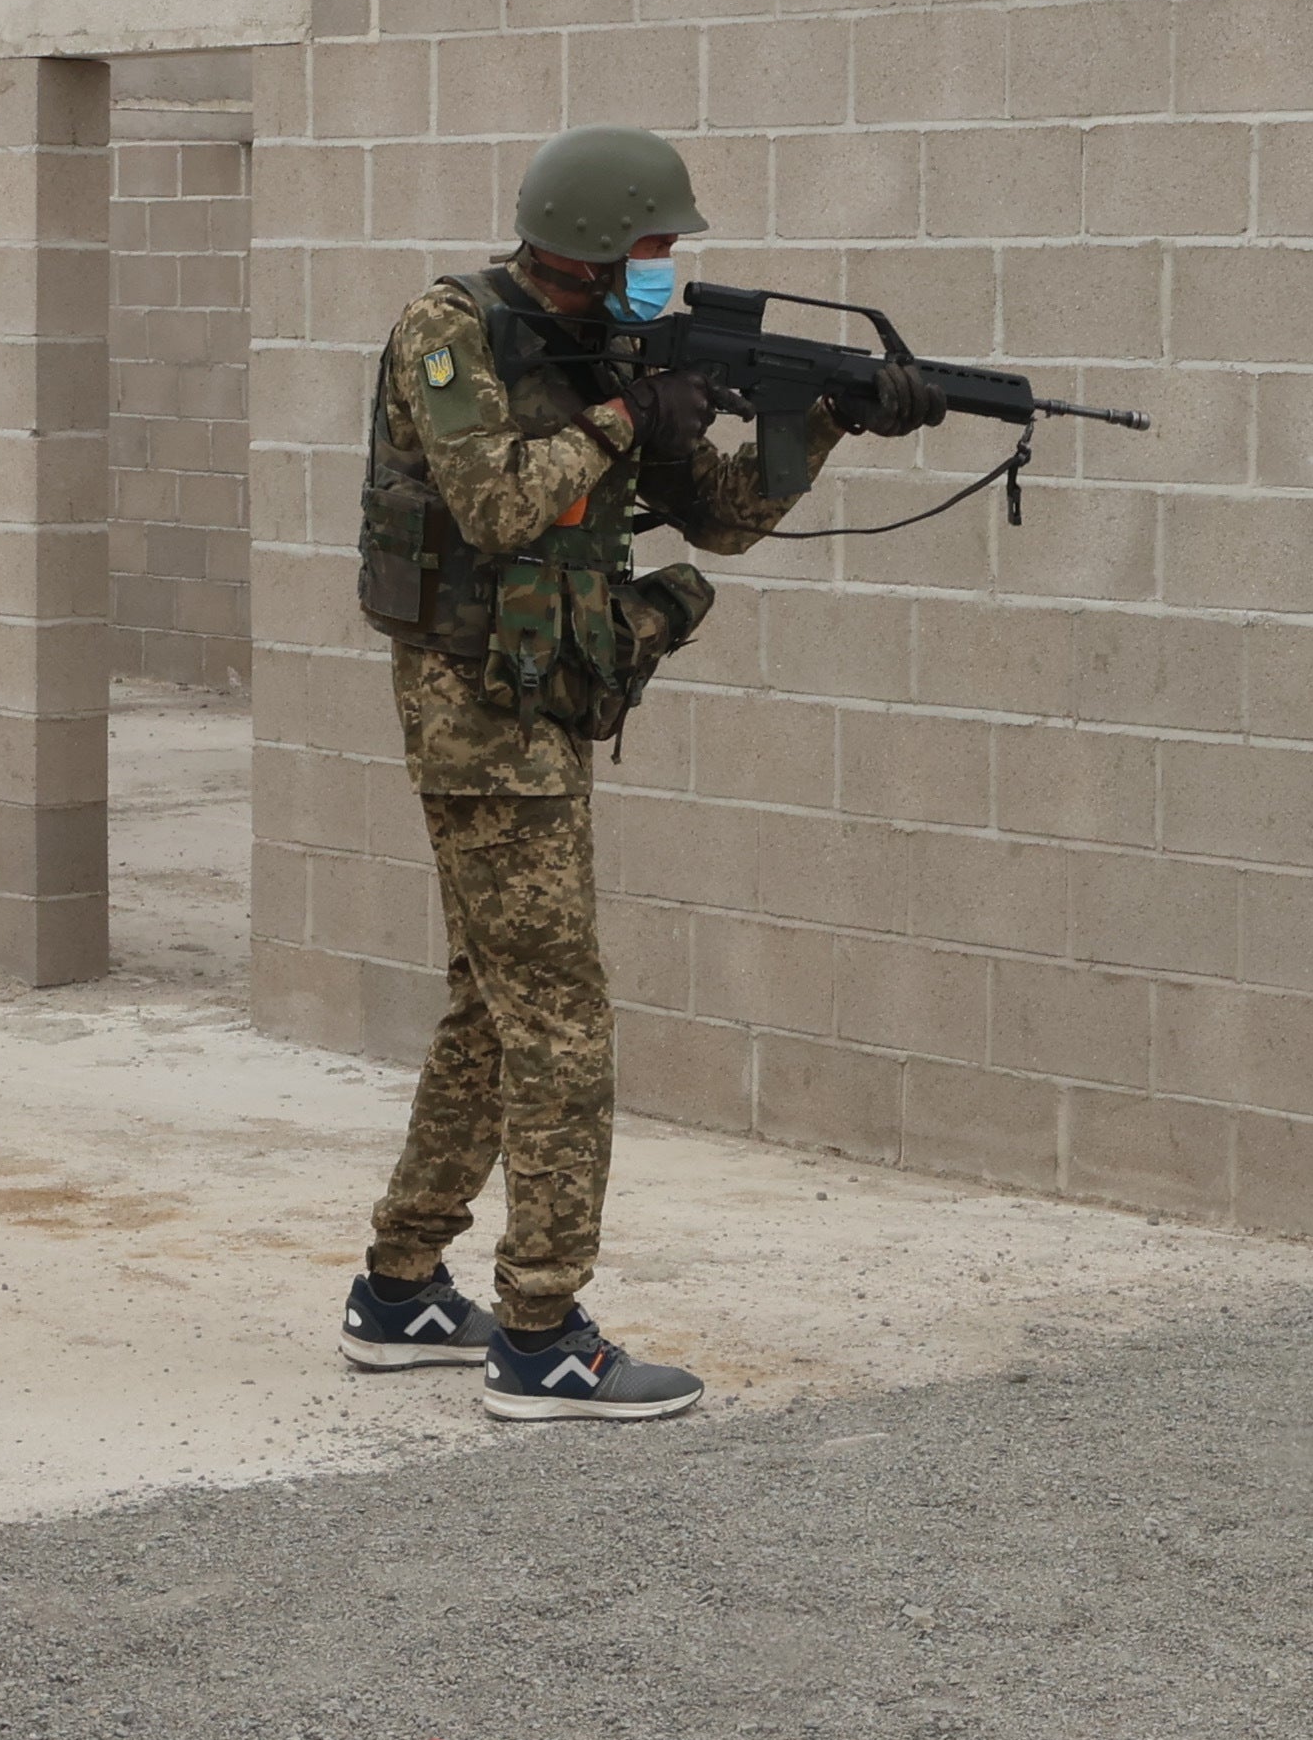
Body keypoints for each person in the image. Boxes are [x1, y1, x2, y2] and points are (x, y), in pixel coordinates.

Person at [336, 124, 923, 1421]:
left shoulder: (615, 347)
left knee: (496, 1007)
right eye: (657, 246)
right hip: (480, 715)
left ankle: (399, 1286)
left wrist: (823, 421)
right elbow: (495, 502)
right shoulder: (451, 335)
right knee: (560, 1020)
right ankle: (540, 1333)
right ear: (594, 246)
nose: (669, 267)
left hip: (545, 704)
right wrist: (620, 416)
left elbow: (717, 513)